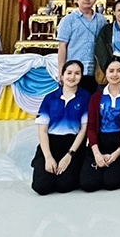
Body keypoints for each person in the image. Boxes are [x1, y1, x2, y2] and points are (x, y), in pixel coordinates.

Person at [79, 58, 120, 192]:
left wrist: (119, 151)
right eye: (111, 71)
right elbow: (91, 126)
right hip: (100, 143)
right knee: (88, 184)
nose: (115, 74)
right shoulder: (96, 97)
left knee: (112, 183)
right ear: (105, 73)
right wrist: (97, 154)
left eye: (119, 71)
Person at [31, 60, 90, 195]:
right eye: (69, 73)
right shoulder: (50, 98)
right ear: (62, 76)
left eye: (77, 73)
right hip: (51, 144)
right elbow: (42, 131)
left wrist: (69, 155)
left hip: (73, 145)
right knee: (41, 187)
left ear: (81, 76)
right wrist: (48, 157)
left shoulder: (86, 97)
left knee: (65, 186)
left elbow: (83, 130)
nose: (72, 77)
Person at [57, 0, 107, 93]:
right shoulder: (68, 20)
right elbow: (62, 46)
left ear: (95, 0)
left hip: (95, 71)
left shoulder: (101, 20)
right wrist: (61, 71)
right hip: (74, 71)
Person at [94, 0, 120, 85]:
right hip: (107, 74)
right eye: (119, 10)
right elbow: (100, 50)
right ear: (114, 12)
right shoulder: (106, 30)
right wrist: (109, 68)